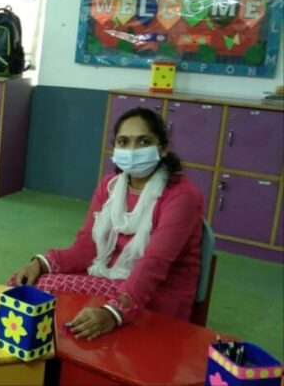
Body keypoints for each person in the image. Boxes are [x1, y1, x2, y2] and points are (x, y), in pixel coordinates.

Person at [10, 107, 203, 340]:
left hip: (157, 292)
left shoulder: (181, 196)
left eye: (143, 142)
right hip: (109, 276)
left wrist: (114, 312)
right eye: (124, 142)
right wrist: (41, 263)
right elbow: (86, 248)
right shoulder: (110, 186)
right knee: (25, 283)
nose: (132, 151)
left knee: (41, 291)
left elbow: (154, 264)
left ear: (162, 148)